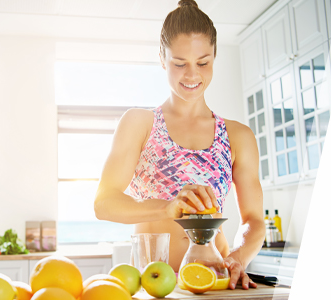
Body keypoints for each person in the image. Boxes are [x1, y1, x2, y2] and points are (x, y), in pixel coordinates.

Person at [94, 0, 264, 290]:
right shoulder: (140, 123)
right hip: (155, 287)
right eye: (179, 63)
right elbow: (104, 203)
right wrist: (167, 208)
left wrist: (238, 257)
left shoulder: (237, 136)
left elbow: (254, 221)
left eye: (203, 62)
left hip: (215, 283)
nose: (192, 75)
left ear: (214, 57)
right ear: (162, 59)